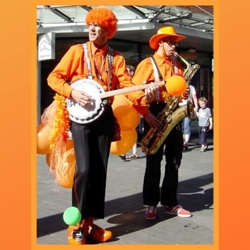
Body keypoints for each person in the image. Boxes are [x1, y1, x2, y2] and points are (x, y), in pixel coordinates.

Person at [46, 7, 153, 244]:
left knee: (99, 171)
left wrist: (146, 100)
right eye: (90, 25)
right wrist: (72, 92)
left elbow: (128, 87)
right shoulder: (76, 51)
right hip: (80, 119)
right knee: (83, 169)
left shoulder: (117, 58)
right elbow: (54, 78)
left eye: (98, 26)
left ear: (108, 30)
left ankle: (89, 223)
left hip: (103, 118)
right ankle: (75, 221)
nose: (92, 29)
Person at [132, 26, 192, 220]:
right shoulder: (147, 64)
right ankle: (150, 204)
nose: (175, 46)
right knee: (153, 162)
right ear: (161, 43)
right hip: (155, 113)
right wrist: (147, 114)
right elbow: (134, 94)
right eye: (171, 43)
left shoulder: (177, 65)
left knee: (174, 161)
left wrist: (185, 93)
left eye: (176, 43)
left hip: (173, 112)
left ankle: (170, 203)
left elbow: (180, 89)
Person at [119, 65, 140, 160]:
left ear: (132, 72)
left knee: (132, 130)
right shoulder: (124, 82)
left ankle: (134, 152)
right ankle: (124, 151)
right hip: (125, 108)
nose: (126, 73)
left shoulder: (135, 82)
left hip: (133, 109)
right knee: (124, 130)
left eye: (128, 71)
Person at [179, 84, 198, 150]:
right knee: (179, 126)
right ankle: (181, 142)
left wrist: (196, 106)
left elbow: (194, 97)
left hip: (188, 107)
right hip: (179, 107)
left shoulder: (191, 87)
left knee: (186, 126)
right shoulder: (178, 85)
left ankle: (185, 143)